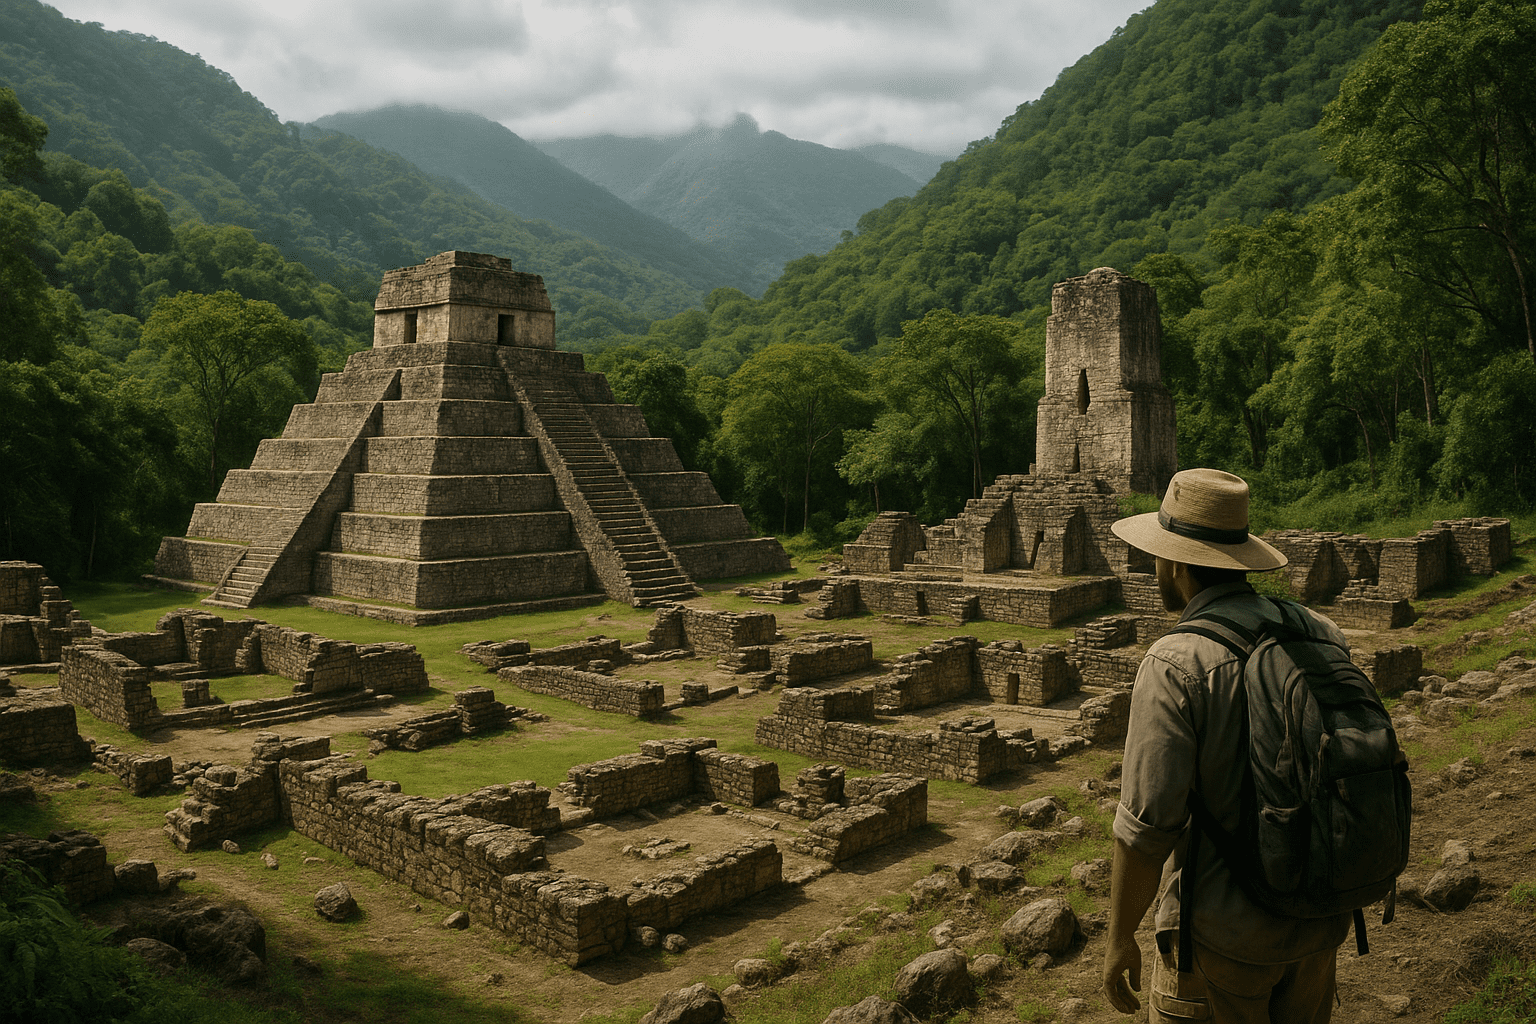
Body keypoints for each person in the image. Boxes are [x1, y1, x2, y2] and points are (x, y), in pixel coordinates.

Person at [1101, 468, 1351, 1023]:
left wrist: (1119, 936)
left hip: (1222, 938)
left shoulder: (1177, 661)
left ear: (1174, 561)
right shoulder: (1318, 633)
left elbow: (1147, 826)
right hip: (1319, 920)